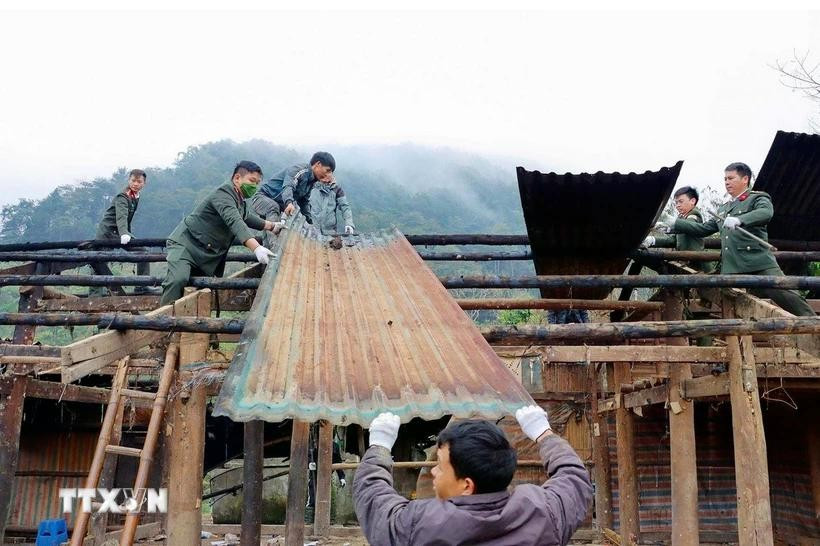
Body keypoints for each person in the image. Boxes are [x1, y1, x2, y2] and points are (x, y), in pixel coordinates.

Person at [353, 406, 593, 546]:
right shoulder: (543, 512)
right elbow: (573, 478)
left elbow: (374, 498)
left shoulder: (420, 524)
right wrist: (544, 434)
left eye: (440, 466)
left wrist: (379, 446)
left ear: (467, 485)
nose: (433, 471)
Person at [672, 162, 815, 317]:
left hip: (757, 261)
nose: (727, 182)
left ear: (745, 179)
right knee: (721, 295)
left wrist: (740, 220)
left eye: (731, 178)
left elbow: (766, 213)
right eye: (725, 179)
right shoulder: (724, 208)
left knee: (784, 293)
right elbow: (703, 229)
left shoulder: (756, 198)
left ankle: (813, 321)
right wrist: (675, 223)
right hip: (732, 266)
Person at [159, 161, 278, 305]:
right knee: (178, 279)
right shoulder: (223, 194)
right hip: (186, 244)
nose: (254, 186)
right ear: (237, 178)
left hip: (206, 252)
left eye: (257, 183)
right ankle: (162, 316)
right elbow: (235, 221)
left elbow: (246, 217)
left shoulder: (239, 200)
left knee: (200, 289)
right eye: (252, 181)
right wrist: (256, 248)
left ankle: (186, 318)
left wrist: (272, 226)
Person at [87, 169, 150, 296]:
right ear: (129, 180)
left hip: (120, 232)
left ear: (144, 183)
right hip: (107, 233)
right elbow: (121, 216)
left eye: (139, 181)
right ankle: (94, 296)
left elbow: (126, 218)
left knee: (142, 252)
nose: (135, 184)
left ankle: (141, 286)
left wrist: (127, 233)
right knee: (99, 261)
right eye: (133, 180)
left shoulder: (135, 196)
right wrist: (124, 234)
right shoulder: (123, 196)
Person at [249, 152, 336, 243]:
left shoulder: (311, 182)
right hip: (261, 198)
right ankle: (274, 244)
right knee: (274, 208)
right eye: (328, 170)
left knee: (270, 234)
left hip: (275, 209)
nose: (328, 175)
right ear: (318, 164)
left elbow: (304, 202)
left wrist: (311, 221)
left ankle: (268, 246)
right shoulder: (300, 170)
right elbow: (288, 186)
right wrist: (289, 203)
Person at [643, 186, 714, 272]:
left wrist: (668, 225)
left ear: (692, 201)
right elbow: (674, 240)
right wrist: (652, 240)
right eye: (676, 203)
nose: (677, 205)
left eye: (681, 201)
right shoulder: (681, 218)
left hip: (697, 265)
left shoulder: (694, 215)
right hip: (686, 263)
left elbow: (688, 226)